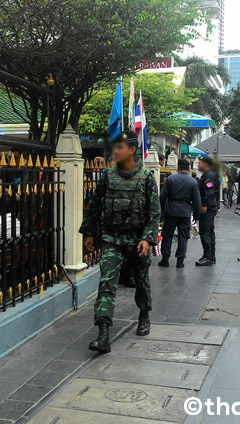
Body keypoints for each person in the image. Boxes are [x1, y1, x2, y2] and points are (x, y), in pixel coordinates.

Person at [80, 130, 160, 352]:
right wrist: (89, 232)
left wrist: (147, 238)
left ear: (132, 150)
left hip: (137, 240)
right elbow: (94, 204)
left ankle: (144, 314)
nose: (115, 151)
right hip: (111, 238)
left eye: (120, 147)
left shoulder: (146, 177)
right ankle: (103, 333)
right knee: (107, 282)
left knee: (141, 280)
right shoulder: (108, 176)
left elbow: (154, 212)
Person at [158, 158, 201, 268]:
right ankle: (180, 261)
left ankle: (165, 259)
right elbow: (197, 201)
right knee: (183, 236)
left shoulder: (170, 179)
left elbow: (162, 197)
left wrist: (162, 211)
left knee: (167, 235)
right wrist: (196, 216)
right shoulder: (193, 182)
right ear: (189, 168)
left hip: (171, 211)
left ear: (177, 167)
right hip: (185, 212)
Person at [196, 156, 217, 266]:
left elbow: (209, 192)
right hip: (209, 207)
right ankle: (211, 256)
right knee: (209, 232)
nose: (198, 165)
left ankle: (208, 256)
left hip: (208, 208)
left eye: (199, 163)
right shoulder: (206, 175)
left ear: (205, 164)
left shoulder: (209, 176)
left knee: (205, 232)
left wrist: (204, 205)